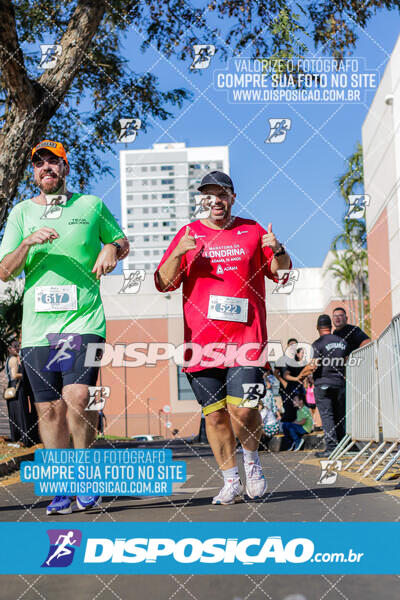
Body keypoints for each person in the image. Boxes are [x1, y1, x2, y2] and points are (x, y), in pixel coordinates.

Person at [0, 140, 129, 515]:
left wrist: (112, 249)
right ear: (34, 173)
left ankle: (85, 475)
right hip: (39, 328)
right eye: (39, 164)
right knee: (49, 410)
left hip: (83, 319)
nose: (46, 168)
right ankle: (61, 484)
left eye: (52, 162)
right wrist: (27, 242)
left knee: (77, 397)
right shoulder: (22, 212)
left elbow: (121, 241)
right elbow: (5, 269)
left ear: (65, 167)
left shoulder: (90, 205)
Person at [154, 170, 291, 504]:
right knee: (214, 416)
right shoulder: (188, 234)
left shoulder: (253, 230)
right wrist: (176, 254)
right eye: (209, 194)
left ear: (232, 197)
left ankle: (253, 464)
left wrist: (279, 248)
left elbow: (282, 273)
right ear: (204, 200)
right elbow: (162, 282)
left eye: (222, 193)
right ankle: (230, 480)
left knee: (244, 410)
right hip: (202, 343)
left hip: (246, 338)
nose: (216, 200)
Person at [298, 314, 348, 458]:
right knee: (340, 416)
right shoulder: (342, 342)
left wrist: (300, 376)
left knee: (327, 417)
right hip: (339, 384)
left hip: (323, 383)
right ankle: (342, 446)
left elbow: (313, 366)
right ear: (331, 327)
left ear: (317, 328)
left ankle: (332, 448)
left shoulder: (318, 343)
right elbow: (347, 362)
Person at [4, 338, 39, 446]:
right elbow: (15, 375)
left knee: (14, 415)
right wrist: (28, 374)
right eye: (14, 346)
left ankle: (17, 438)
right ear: (9, 349)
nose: (17, 348)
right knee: (21, 413)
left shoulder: (8, 360)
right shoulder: (14, 360)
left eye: (18, 345)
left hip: (12, 388)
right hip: (18, 388)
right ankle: (25, 440)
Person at [273, 338, 298, 423]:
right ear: (287, 346)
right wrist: (282, 381)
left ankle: (298, 425)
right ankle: (288, 426)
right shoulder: (281, 359)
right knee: (288, 406)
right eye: (291, 345)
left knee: (298, 407)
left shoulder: (298, 359)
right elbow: (275, 372)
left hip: (296, 387)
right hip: (285, 388)